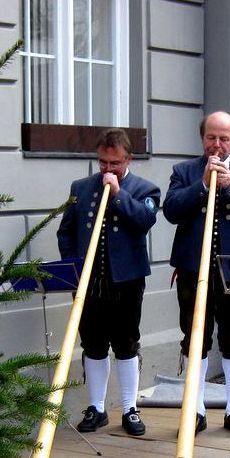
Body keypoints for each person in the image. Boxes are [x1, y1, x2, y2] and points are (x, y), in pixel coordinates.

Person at [162, 111, 230, 437]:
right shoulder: (184, 172)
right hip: (192, 269)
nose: (217, 144)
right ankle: (194, 410)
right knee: (194, 338)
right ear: (202, 138)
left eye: (224, 138)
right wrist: (201, 185)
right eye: (211, 137)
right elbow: (170, 210)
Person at [57, 128, 160, 436]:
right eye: (102, 162)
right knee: (93, 344)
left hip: (126, 280)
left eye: (114, 163)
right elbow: (66, 232)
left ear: (128, 159)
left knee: (126, 344)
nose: (107, 169)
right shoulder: (80, 187)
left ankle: (129, 408)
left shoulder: (146, 189)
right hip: (89, 281)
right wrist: (75, 267)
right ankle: (97, 408)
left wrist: (118, 193)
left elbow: (145, 220)